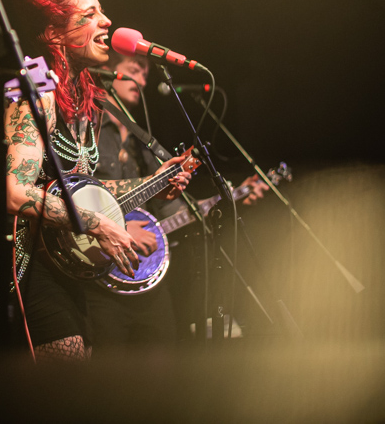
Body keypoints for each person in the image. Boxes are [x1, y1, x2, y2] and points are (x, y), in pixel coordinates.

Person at [2, 0, 191, 361]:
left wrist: (155, 180)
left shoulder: (86, 101)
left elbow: (85, 191)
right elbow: (17, 193)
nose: (107, 22)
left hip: (67, 268)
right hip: (28, 267)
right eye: (90, 15)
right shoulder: (37, 92)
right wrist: (97, 224)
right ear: (55, 33)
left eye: (102, 11)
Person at [85, 52, 268, 350]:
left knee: (165, 359)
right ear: (108, 72)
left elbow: (176, 211)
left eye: (145, 74)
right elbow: (75, 188)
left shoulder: (142, 142)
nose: (141, 79)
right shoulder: (87, 129)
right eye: (134, 70)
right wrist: (118, 228)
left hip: (145, 276)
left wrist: (231, 198)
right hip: (100, 271)